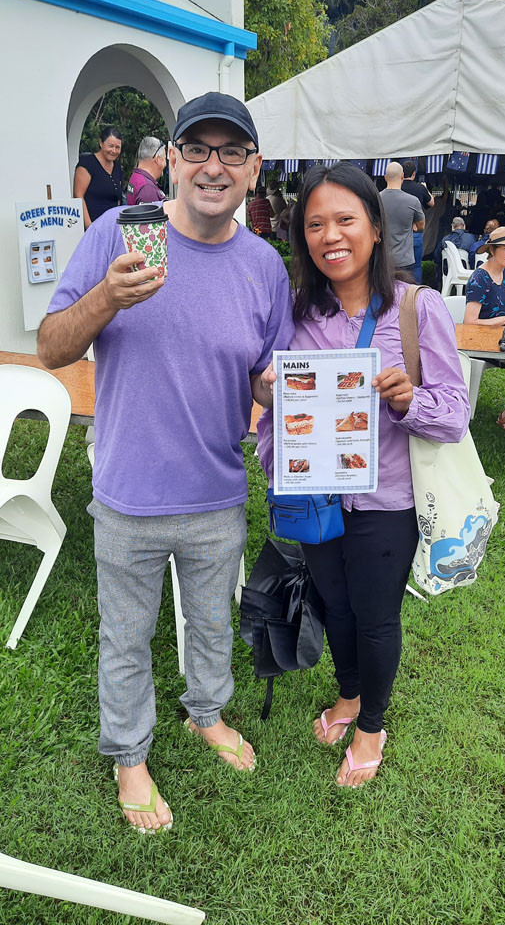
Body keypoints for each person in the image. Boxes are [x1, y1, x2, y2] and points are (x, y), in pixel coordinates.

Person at [37, 91, 293, 832]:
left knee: (211, 624)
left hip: (215, 488)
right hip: (127, 490)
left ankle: (204, 714)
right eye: (198, 149)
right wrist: (105, 300)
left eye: (231, 152)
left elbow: (258, 374)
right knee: (125, 635)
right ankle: (129, 755)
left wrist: (275, 389)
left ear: (252, 169)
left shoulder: (263, 267)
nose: (214, 166)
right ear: (172, 159)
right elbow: (55, 345)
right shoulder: (119, 231)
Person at [257, 163, 469, 788]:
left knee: (375, 616)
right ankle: (348, 695)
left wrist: (408, 401)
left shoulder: (416, 309)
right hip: (317, 497)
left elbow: (455, 414)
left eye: (345, 219)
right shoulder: (297, 316)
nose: (331, 236)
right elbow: (275, 410)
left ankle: (372, 723)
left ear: (376, 229)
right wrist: (275, 432)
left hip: (385, 502)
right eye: (315, 224)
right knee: (335, 607)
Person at [464, 227, 505, 331]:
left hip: (502, 334)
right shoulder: (480, 278)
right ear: (492, 250)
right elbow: (470, 322)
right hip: (478, 338)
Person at [379, 162, 425, 280]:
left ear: (385, 178)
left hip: (383, 259)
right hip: (405, 259)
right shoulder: (413, 201)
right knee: (405, 295)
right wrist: (413, 226)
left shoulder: (377, 199)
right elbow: (421, 226)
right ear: (402, 176)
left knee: (384, 294)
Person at [74, 126, 123, 228]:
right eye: (110, 146)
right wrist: (90, 227)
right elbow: (79, 197)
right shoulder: (87, 164)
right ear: (101, 143)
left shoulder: (117, 168)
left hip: (112, 227)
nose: (114, 151)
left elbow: (117, 199)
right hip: (93, 226)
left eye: (117, 147)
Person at [401, 161, 434, 284]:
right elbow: (432, 203)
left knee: (399, 266)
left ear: (402, 174)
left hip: (399, 233)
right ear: (414, 174)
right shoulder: (420, 188)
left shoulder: (397, 188)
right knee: (416, 266)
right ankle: (416, 292)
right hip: (416, 232)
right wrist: (425, 189)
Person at [433, 216, 476, 289]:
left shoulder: (445, 239)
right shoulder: (472, 238)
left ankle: (441, 287)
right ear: (464, 226)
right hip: (466, 270)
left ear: (452, 227)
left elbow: (436, 257)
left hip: (448, 271)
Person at [126, 137, 167, 204]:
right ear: (157, 159)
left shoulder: (136, 177)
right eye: (164, 159)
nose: (165, 164)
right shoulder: (147, 189)